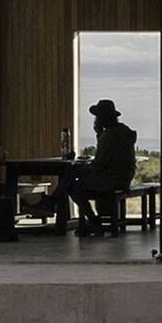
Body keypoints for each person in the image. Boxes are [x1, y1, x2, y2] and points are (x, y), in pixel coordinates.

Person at [64, 97, 137, 235]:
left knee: (73, 187)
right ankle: (52, 201)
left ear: (101, 118)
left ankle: (93, 221)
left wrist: (84, 168)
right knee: (72, 177)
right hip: (123, 177)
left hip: (111, 179)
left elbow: (99, 164)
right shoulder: (122, 131)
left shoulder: (110, 135)